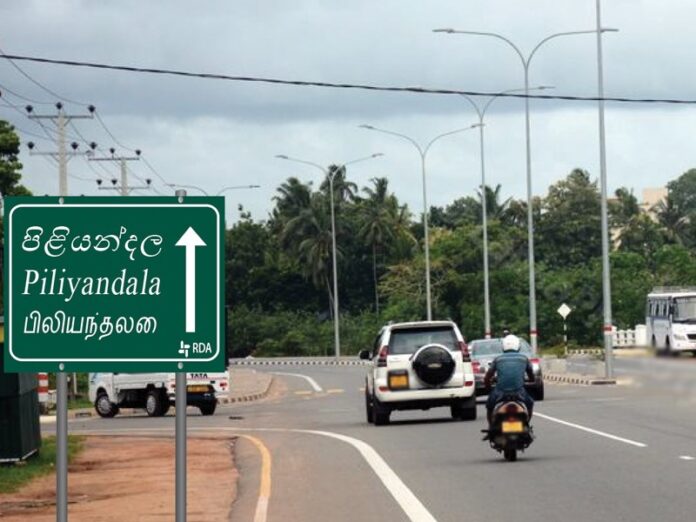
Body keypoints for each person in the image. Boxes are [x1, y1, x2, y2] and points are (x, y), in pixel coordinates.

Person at [483, 334, 535, 426]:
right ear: (518, 346)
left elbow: (487, 377)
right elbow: (531, 377)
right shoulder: (524, 359)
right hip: (519, 392)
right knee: (530, 404)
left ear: (503, 346)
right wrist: (529, 381)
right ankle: (527, 425)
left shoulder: (498, 359)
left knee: (489, 406)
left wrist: (488, 387)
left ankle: (491, 428)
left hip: (500, 392)